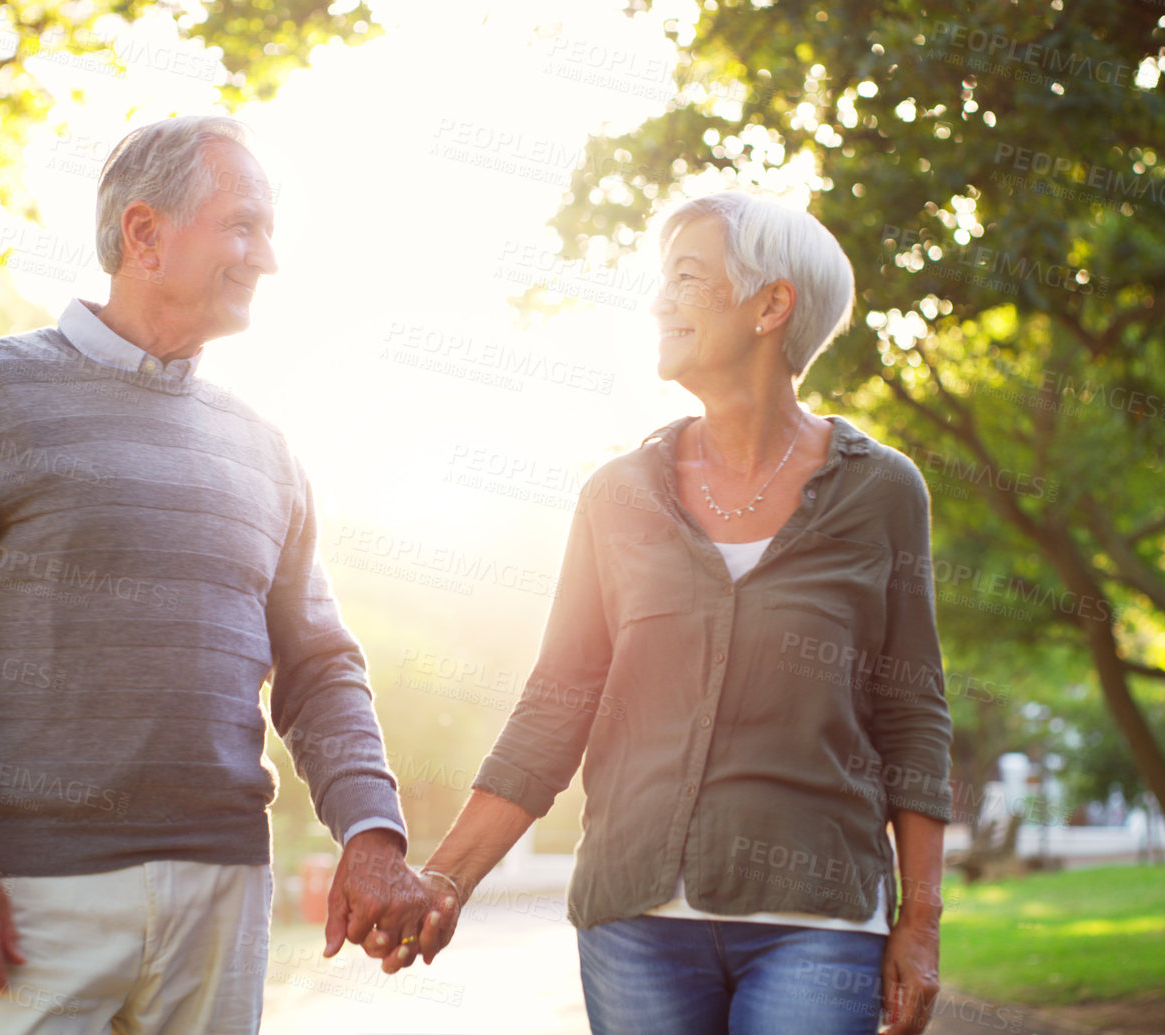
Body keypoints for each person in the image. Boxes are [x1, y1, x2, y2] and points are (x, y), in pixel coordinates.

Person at [0, 114, 430, 1033]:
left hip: (220, 890)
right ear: (145, 233)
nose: (267, 258)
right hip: (29, 895)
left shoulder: (267, 446)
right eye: (244, 224)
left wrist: (370, 831)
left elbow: (319, 664)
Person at [387, 191, 955, 1035]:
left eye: (686, 277)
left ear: (772, 304)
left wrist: (920, 922)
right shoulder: (616, 496)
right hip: (634, 926)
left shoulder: (881, 491)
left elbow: (913, 711)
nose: (657, 300)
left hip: (818, 919)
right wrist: (448, 878)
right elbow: (557, 702)